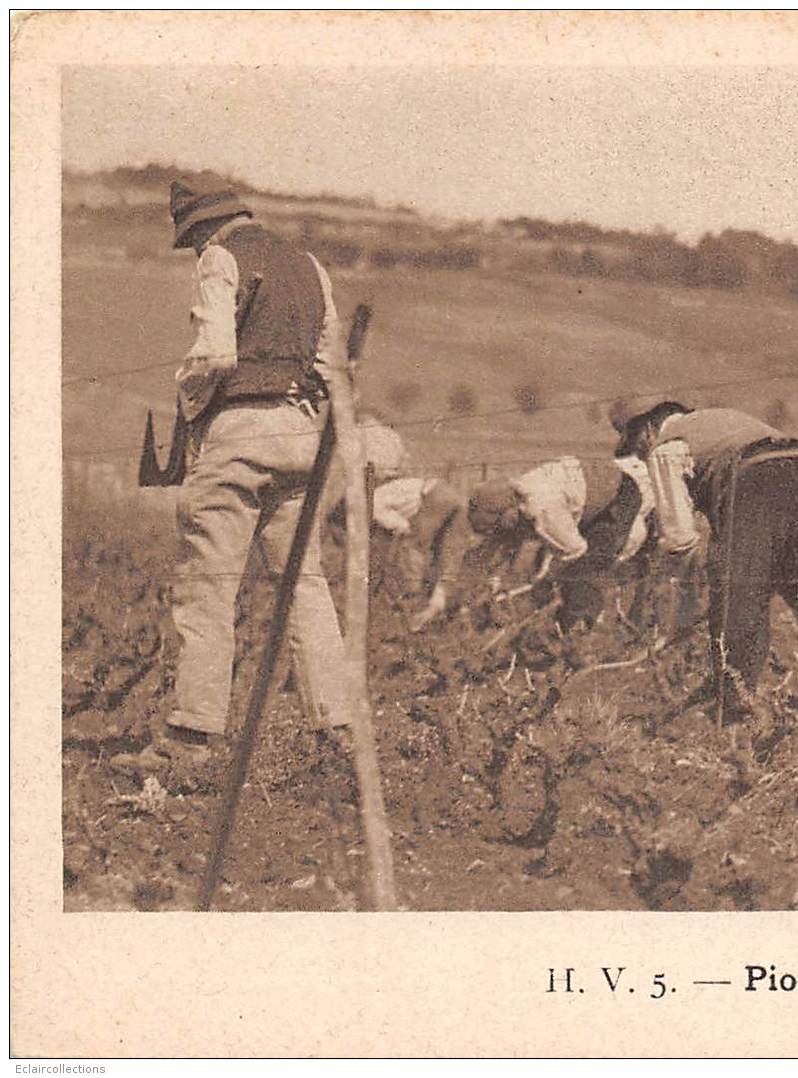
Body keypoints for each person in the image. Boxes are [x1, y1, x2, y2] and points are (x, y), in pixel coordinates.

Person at [113, 181, 355, 777]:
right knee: (305, 584)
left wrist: (193, 409)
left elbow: (215, 355)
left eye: (190, 241)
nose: (193, 253)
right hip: (301, 434)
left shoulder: (221, 258)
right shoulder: (309, 265)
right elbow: (330, 364)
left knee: (208, 587)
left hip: (238, 436)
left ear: (199, 231)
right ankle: (340, 729)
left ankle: (190, 739)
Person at [606, 396, 798, 722]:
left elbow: (680, 538)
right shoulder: (721, 418)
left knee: (739, 601)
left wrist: (677, 595)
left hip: (754, 482)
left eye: (635, 446)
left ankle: (735, 705)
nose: (639, 455)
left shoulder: (665, 448)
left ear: (646, 429)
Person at [464, 455, 654, 630]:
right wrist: (489, 582)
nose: (498, 533)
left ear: (507, 515)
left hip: (617, 496)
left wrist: (544, 579)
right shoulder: (514, 505)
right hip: (586, 497)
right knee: (551, 570)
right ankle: (555, 622)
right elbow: (501, 546)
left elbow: (575, 550)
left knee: (585, 569)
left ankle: (578, 633)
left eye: (498, 527)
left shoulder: (542, 510)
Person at [321, 413, 467, 631]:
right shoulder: (391, 437)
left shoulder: (373, 496)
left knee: (413, 547)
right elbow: (402, 463)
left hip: (413, 493)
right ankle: (432, 599)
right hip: (429, 489)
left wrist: (399, 526)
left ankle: (410, 598)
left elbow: (394, 522)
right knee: (442, 553)